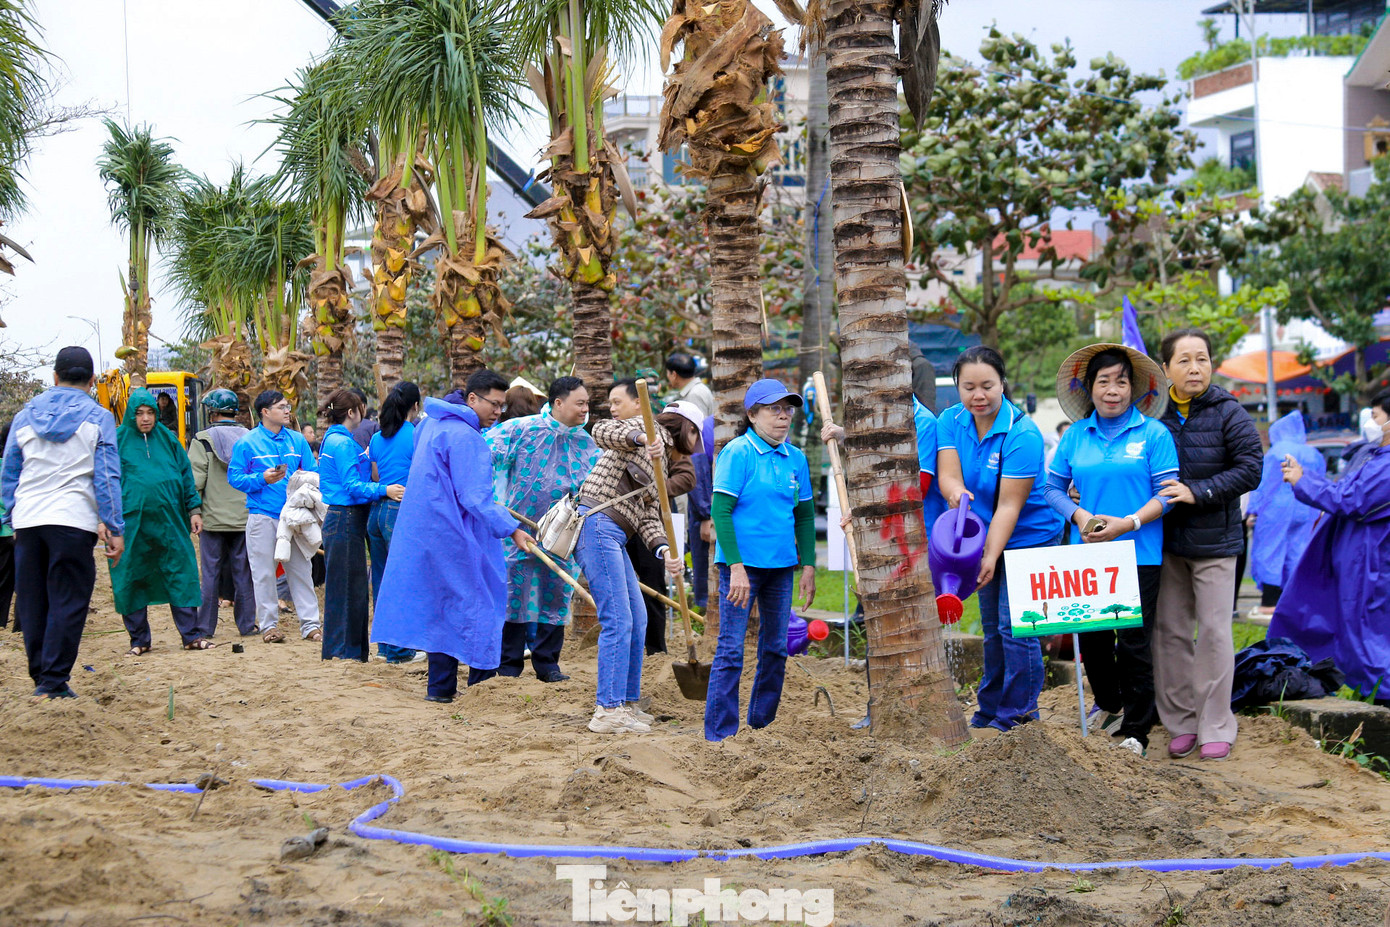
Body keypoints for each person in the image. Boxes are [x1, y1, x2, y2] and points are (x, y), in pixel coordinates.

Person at [1044, 344, 1177, 756]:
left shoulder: (1154, 434)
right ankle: (1110, 703)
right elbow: (1051, 488)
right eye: (1104, 381)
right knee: (1093, 640)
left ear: (1134, 388)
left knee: (1133, 643)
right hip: (1088, 555)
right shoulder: (1075, 436)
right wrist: (1080, 515)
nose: (1113, 390)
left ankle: (1137, 730)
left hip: (1140, 554)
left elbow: (1168, 494)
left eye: (1121, 381)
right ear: (1090, 388)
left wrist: (1129, 522)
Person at [370, 369, 532, 703]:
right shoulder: (466, 437)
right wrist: (512, 529)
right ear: (472, 398)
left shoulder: (430, 424)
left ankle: (440, 689)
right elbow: (475, 498)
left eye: (502, 405)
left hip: (425, 532)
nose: (498, 411)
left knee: (441, 609)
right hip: (455, 535)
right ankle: (482, 688)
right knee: (481, 604)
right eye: (494, 404)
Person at [936, 347, 1062, 734]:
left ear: (1002, 384)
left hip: (1030, 536)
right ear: (957, 387)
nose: (979, 395)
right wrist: (956, 494)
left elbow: (1010, 505)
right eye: (969, 387)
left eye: (987, 386)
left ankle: (1019, 714)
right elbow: (949, 476)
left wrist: (990, 556)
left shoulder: (1023, 433)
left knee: (1017, 626)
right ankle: (990, 707)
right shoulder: (950, 420)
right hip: (983, 532)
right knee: (991, 627)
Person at [1152, 329, 1263, 761]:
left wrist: (1198, 492)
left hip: (1216, 542)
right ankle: (1181, 722)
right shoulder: (1152, 414)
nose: (1194, 368)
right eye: (1184, 360)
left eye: (1202, 359)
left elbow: (1251, 468)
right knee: (1171, 632)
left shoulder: (1228, 411)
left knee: (1215, 632)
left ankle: (1216, 724)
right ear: (1166, 369)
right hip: (1165, 541)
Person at [1, 347, 124, 700]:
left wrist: (9, 516)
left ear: (55, 377)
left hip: (28, 519)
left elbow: (10, 470)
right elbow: (107, 476)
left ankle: (42, 676)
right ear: (92, 381)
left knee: (33, 601)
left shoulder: (24, 416)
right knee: (68, 600)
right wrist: (114, 527)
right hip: (72, 519)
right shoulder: (98, 417)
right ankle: (53, 681)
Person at [573, 379, 688, 734]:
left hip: (615, 535)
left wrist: (665, 550)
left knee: (637, 617)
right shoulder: (644, 429)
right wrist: (639, 438)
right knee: (619, 619)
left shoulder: (662, 461)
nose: (698, 446)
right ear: (687, 430)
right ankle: (607, 710)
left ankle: (626, 702)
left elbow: (649, 515)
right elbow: (601, 430)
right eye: (697, 436)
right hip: (598, 525)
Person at [705, 378, 815, 741]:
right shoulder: (738, 453)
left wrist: (809, 566)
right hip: (742, 568)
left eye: (787, 410)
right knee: (731, 649)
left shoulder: (796, 458)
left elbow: (804, 516)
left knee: (776, 649)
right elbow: (721, 512)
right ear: (752, 415)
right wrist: (735, 567)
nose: (783, 417)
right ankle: (720, 734)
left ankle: (760, 726)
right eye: (774, 410)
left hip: (781, 568)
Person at [1269, 391, 1390, 701]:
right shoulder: (1375, 455)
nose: (1370, 422)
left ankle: (1381, 694)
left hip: (1369, 560)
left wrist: (1303, 481)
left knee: (1364, 627)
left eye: (1376, 416)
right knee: (1340, 618)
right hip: (1352, 553)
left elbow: (1352, 500)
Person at [486, 376, 600, 680]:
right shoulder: (522, 429)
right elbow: (485, 454)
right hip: (518, 529)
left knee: (557, 593)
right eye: (580, 403)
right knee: (515, 593)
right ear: (558, 403)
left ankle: (548, 664)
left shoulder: (585, 442)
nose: (585, 409)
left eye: (587, 403)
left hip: (562, 533)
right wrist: (494, 503)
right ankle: (508, 664)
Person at [110, 389, 208, 653]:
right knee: (131, 574)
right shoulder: (117, 441)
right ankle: (139, 640)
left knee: (180, 571)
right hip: (131, 523)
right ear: (130, 415)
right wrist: (106, 519)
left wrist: (194, 510)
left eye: (150, 413)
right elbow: (105, 481)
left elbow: (186, 475)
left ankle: (191, 636)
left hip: (170, 521)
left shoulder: (168, 439)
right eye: (139, 413)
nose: (145, 418)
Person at [228, 390, 321, 644]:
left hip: (295, 516)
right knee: (264, 573)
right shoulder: (247, 442)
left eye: (287, 406)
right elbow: (234, 477)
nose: (287, 410)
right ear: (265, 412)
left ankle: (311, 626)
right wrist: (261, 479)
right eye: (281, 407)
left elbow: (312, 472)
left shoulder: (297, 440)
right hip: (262, 516)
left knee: (301, 569)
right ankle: (269, 626)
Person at [318, 389, 403, 662]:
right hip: (346, 517)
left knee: (348, 587)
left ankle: (345, 652)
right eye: (361, 408)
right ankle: (345, 654)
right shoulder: (342, 443)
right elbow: (352, 486)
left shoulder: (335, 439)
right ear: (352, 412)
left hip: (344, 518)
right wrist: (384, 489)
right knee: (348, 590)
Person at [189, 389, 257, 639]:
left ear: (212, 413)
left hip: (212, 520)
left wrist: (194, 511)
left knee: (210, 574)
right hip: (244, 517)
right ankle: (247, 625)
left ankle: (205, 627)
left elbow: (195, 481)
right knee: (243, 573)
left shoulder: (203, 440)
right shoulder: (251, 438)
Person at [633, 398, 698, 655]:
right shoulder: (623, 434)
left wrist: (654, 490)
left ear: (635, 403)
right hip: (618, 522)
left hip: (652, 523)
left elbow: (688, 477)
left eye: (618, 402)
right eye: (611, 402)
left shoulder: (671, 444)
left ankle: (656, 650)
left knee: (653, 584)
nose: (613, 408)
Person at [1247, 410, 1326, 616]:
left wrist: (1252, 510)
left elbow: (1264, 484)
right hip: (1306, 507)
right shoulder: (1314, 454)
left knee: (1270, 550)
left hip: (1276, 510)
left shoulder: (1275, 452)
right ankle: (1296, 599)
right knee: (1298, 551)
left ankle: (1270, 600)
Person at [368, 381, 422, 663]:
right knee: (404, 579)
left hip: (377, 512)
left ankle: (385, 647)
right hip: (401, 512)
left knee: (381, 580)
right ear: (416, 406)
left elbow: (376, 477)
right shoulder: (416, 434)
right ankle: (401, 650)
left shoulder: (377, 438)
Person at [688, 414, 715, 609]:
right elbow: (697, 469)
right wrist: (706, 515)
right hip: (708, 509)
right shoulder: (709, 427)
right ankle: (707, 609)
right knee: (707, 567)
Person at [664, 352, 714, 419]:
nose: (667, 376)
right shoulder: (697, 389)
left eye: (667, 372)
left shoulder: (694, 395)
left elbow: (700, 424)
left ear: (674, 374)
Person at [0, 421, 14, 632]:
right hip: (18, 528)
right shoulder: (20, 465)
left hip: (4, 531)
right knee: (27, 583)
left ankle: (1, 620)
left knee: (2, 580)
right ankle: (21, 625)